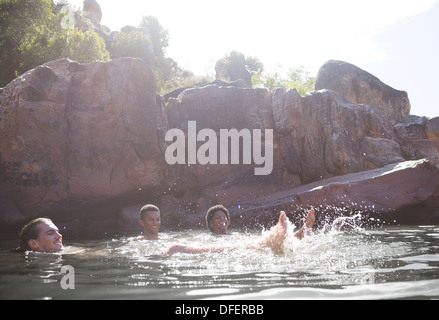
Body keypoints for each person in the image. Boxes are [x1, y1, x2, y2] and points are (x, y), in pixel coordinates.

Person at [163, 208, 316, 256]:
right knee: (176, 247)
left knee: (265, 246)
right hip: (223, 251)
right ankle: (276, 236)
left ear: (229, 222)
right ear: (211, 223)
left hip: (245, 248)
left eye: (224, 217)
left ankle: (304, 229)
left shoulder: (238, 236)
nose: (222, 220)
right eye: (218, 218)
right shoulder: (208, 237)